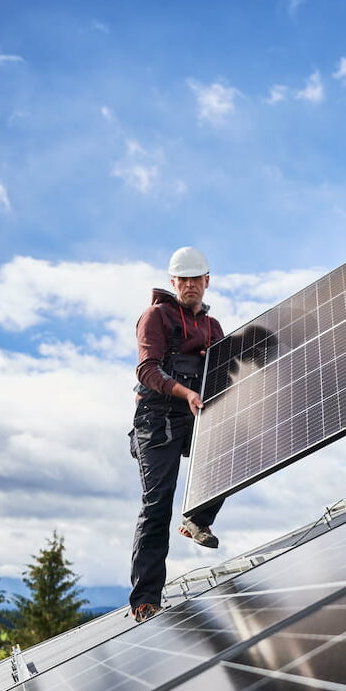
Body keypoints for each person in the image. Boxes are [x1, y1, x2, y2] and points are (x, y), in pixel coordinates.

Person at [128, 246, 225, 623]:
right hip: (156, 418)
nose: (188, 285)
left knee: (238, 446)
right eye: (181, 279)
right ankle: (146, 600)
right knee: (157, 503)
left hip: (193, 411)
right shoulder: (155, 317)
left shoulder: (212, 328)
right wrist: (185, 393)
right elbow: (146, 370)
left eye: (195, 279)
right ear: (173, 282)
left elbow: (223, 368)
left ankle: (198, 519)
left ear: (206, 281)